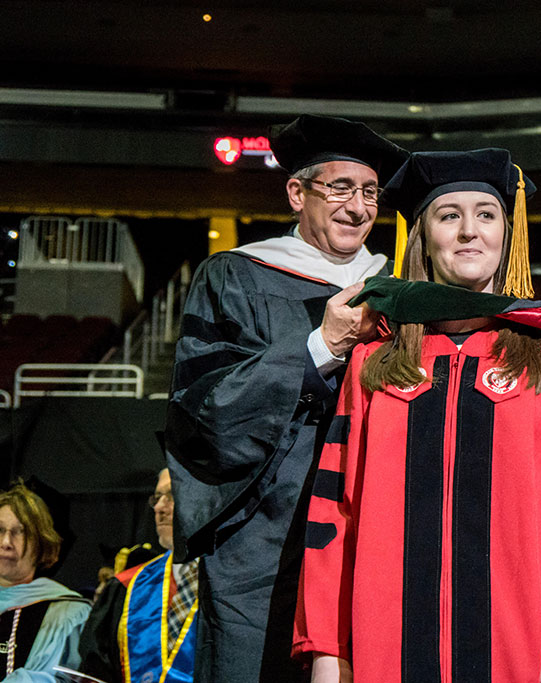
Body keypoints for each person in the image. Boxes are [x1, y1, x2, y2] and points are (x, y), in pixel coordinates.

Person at [292, 149, 541, 683]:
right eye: (448, 215)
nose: (469, 231)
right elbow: (334, 511)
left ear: (508, 236)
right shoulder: (376, 365)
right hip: (383, 642)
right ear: (423, 238)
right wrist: (329, 645)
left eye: (486, 215)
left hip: (521, 641)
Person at [164, 115, 408, 682]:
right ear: (297, 193)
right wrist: (321, 347)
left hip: (373, 533)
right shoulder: (236, 276)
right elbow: (203, 411)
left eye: (370, 191)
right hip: (265, 540)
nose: (358, 207)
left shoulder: (397, 286)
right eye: (340, 187)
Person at [78, 468, 200, 682]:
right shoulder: (127, 586)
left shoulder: (240, 585)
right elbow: (96, 670)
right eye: (157, 498)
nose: (159, 508)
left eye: (172, 496)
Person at [0, 483, 91, 682]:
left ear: (41, 543)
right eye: (0, 530)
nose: (6, 542)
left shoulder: (68, 613)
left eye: (19, 532)